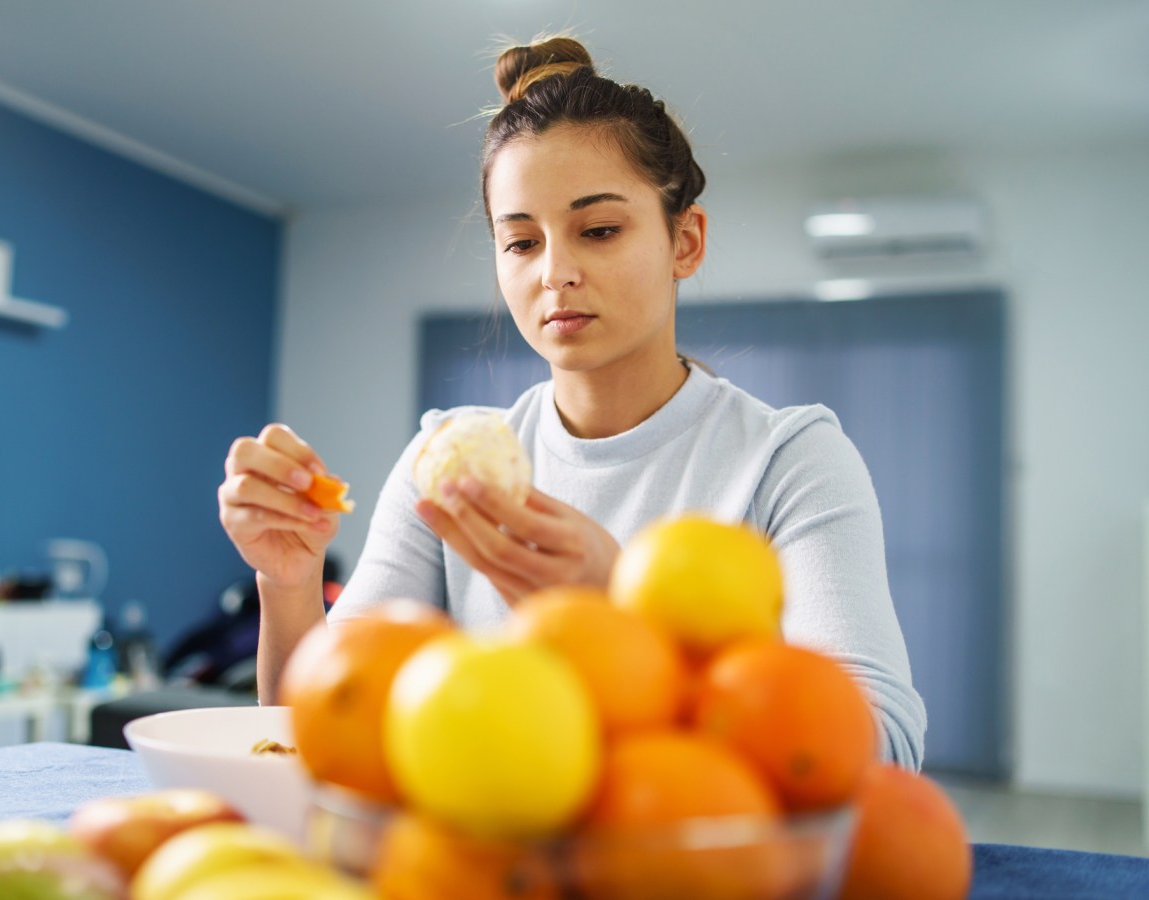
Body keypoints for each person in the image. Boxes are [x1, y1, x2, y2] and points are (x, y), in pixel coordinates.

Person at [218, 36, 927, 769]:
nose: (556, 273)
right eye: (521, 243)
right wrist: (289, 582)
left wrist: (626, 618)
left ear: (685, 242)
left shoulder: (789, 462)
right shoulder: (443, 464)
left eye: (598, 231)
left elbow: (882, 751)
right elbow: (324, 731)